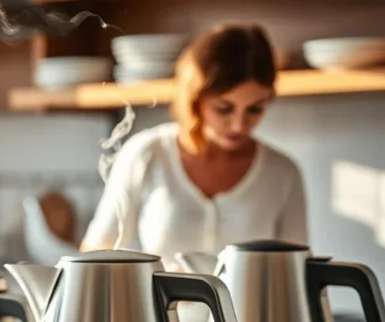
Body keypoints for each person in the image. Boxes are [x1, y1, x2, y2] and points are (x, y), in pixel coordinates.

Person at [80, 25, 308, 264]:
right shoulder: (147, 153)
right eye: (224, 109)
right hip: (162, 302)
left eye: (255, 109)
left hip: (253, 304)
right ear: (196, 99)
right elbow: (97, 251)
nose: (239, 125)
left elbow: (297, 271)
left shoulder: (283, 173)